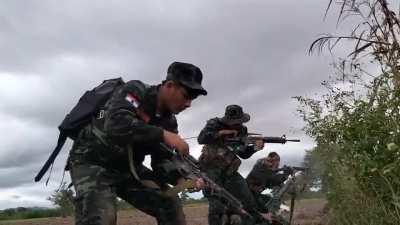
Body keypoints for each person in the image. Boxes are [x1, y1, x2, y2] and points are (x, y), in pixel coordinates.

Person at [68, 62, 207, 225]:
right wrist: (162, 134)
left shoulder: (169, 122)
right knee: (102, 218)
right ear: (170, 85)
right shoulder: (136, 92)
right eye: (186, 96)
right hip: (91, 162)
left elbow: (162, 161)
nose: (189, 104)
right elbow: (116, 124)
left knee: (169, 203)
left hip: (127, 168)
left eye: (193, 99)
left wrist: (180, 178)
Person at [198, 104, 267, 225]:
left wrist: (255, 148)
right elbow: (201, 139)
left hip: (229, 171)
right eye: (234, 121)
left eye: (239, 122)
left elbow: (243, 154)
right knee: (216, 206)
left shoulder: (242, 130)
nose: (237, 124)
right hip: (210, 171)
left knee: (247, 200)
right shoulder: (214, 124)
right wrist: (220, 134)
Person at [246, 152, 291, 216]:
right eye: (276, 160)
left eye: (278, 160)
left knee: (273, 203)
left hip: (254, 195)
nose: (278, 163)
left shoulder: (267, 169)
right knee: (265, 210)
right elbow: (273, 179)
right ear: (270, 159)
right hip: (248, 195)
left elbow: (272, 181)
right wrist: (285, 175)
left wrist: (285, 175)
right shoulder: (261, 167)